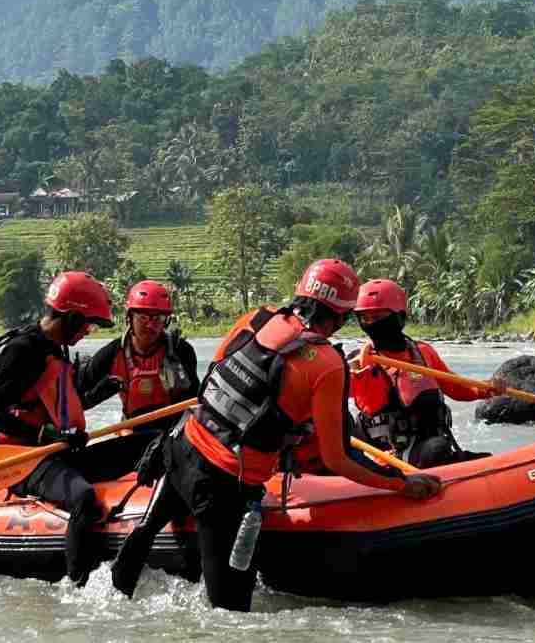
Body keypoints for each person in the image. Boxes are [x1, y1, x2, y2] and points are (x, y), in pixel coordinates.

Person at [111, 259, 443, 611]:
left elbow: (215, 380)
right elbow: (338, 457)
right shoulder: (328, 364)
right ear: (342, 316)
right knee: (231, 612)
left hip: (181, 445)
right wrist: (401, 483)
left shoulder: (257, 317)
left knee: (144, 534)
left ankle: (112, 607)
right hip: (222, 481)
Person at [0, 270, 115, 586]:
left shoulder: (54, 349)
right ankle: (77, 585)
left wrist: (98, 394)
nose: (88, 331)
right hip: (23, 461)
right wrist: (43, 436)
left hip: (56, 455)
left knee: (143, 444)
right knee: (83, 497)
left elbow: (58, 408)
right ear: (70, 316)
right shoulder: (23, 350)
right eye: (86, 323)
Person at [348, 278, 505, 468]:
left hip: (432, 448)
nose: (372, 323)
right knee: (437, 449)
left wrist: (487, 388)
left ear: (399, 317)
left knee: (471, 456)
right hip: (390, 460)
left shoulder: (423, 352)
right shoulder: (360, 364)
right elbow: (331, 392)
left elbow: (457, 387)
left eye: (379, 316)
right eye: (365, 318)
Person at [76, 278, 199, 423]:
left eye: (158, 318)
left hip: (172, 432)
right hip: (133, 431)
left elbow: (196, 401)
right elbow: (76, 394)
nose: (150, 325)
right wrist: (93, 397)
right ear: (129, 318)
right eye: (143, 317)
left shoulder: (181, 350)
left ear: (166, 321)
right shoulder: (112, 354)